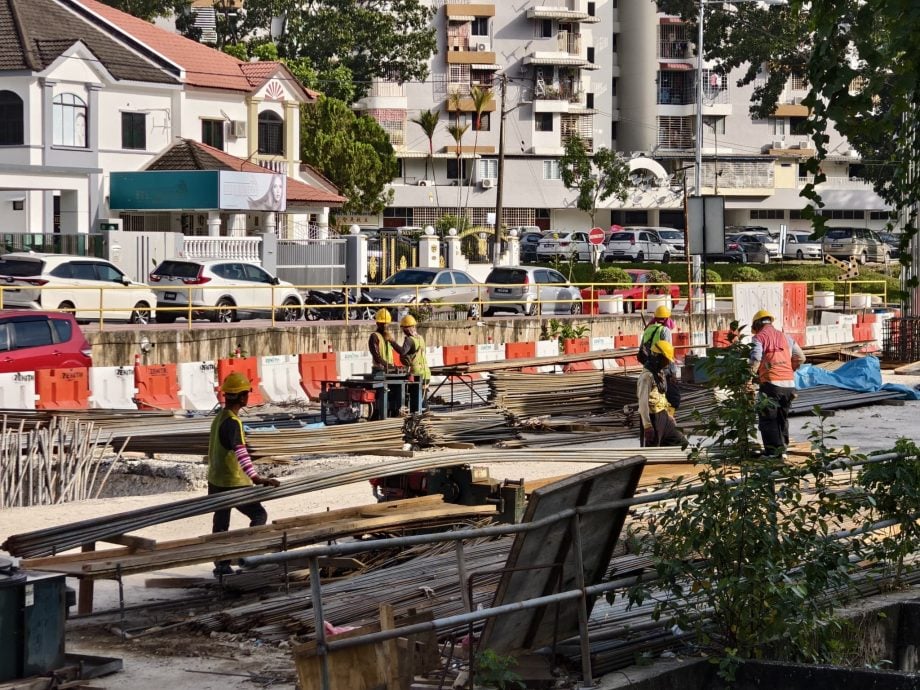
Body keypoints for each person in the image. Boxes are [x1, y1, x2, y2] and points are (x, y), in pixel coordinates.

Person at [208, 372, 280, 577]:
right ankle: (246, 555)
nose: (248, 396)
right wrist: (257, 478)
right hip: (233, 481)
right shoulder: (232, 422)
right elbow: (239, 450)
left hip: (215, 480)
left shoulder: (219, 418)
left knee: (221, 522)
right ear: (241, 397)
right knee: (259, 515)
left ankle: (221, 565)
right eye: (246, 393)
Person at [749, 309, 805, 458]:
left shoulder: (759, 338)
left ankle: (773, 454)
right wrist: (788, 369)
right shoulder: (786, 337)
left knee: (768, 419)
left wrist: (748, 378)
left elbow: (755, 358)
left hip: (771, 383)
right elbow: (800, 357)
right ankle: (782, 451)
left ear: (756, 325)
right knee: (782, 418)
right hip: (789, 386)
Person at [637, 340, 687, 448]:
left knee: (681, 443)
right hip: (652, 418)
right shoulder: (647, 376)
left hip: (664, 416)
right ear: (658, 357)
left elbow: (661, 395)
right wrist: (647, 426)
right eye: (666, 360)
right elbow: (643, 402)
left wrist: (668, 415)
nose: (667, 363)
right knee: (653, 453)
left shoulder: (659, 373)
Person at [640, 304, 680, 410]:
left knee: (655, 393)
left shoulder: (648, 329)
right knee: (673, 397)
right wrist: (673, 373)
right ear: (667, 318)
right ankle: (669, 417)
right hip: (664, 368)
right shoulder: (665, 330)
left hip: (650, 366)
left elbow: (642, 349)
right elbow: (667, 352)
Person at [393, 314, 430, 413]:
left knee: (416, 399)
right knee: (422, 398)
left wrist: (392, 342)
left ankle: (419, 418)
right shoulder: (420, 338)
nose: (403, 331)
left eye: (404, 328)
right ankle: (425, 415)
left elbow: (402, 351)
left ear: (406, 328)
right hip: (426, 372)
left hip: (417, 373)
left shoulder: (409, 340)